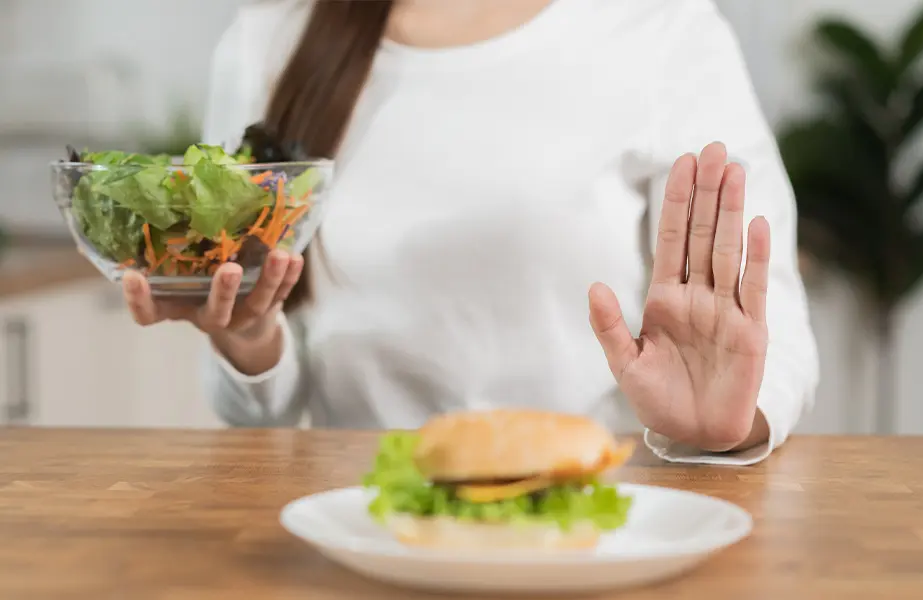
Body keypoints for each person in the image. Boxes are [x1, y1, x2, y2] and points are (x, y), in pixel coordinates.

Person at [122, 0, 819, 465]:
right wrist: (247, 339)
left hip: (598, 522)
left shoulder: (659, 27)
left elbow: (767, 319)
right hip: (363, 522)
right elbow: (260, 404)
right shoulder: (269, 38)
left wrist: (724, 419)